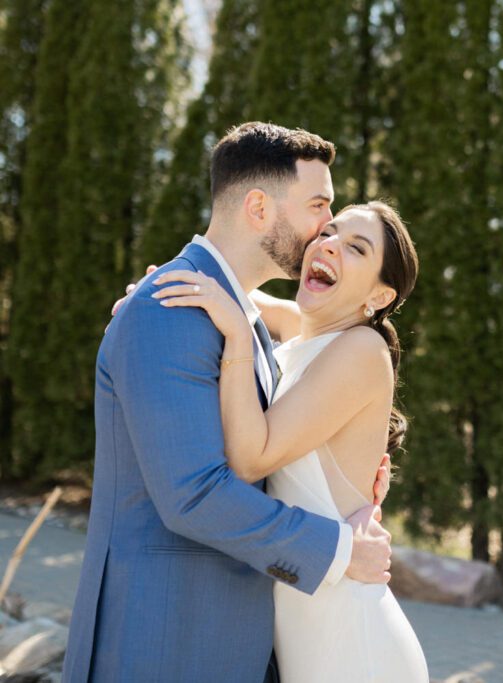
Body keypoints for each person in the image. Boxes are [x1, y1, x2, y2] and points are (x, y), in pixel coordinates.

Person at [64, 122, 393, 682]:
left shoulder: (238, 315)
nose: (323, 232)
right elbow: (193, 496)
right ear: (259, 208)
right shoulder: (168, 309)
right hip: (164, 641)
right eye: (319, 207)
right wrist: (339, 550)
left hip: (233, 641)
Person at [153, 200, 428, 682]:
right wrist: (153, 294)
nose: (329, 245)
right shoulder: (309, 331)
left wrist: (239, 338)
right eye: (330, 233)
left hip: (350, 639)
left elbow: (250, 459)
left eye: (356, 248)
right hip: (303, 629)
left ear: (380, 296)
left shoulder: (364, 349)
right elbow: (224, 289)